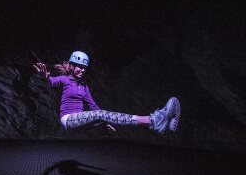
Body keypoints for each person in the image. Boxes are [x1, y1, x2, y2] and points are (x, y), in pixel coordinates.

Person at [33, 51, 180, 134]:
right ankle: (154, 119)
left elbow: (93, 106)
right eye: (79, 67)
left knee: (107, 115)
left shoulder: (84, 87)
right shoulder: (64, 80)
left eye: (84, 68)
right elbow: (51, 81)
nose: (82, 70)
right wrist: (43, 77)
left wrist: (105, 123)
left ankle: (159, 124)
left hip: (81, 122)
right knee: (102, 114)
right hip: (68, 120)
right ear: (71, 66)